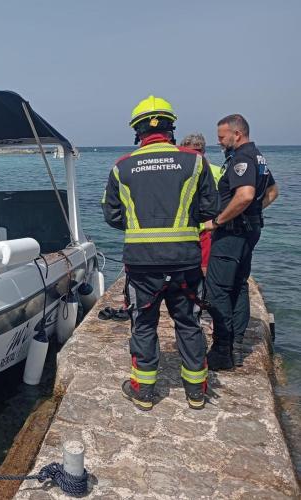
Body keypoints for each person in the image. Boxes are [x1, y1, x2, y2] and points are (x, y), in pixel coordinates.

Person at [102, 95, 219, 410]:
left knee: (143, 324)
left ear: (137, 131)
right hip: (185, 262)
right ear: (171, 128)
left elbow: (111, 215)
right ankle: (196, 392)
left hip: (141, 264)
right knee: (189, 323)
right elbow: (211, 208)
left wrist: (141, 223)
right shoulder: (195, 162)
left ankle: (143, 392)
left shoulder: (121, 167)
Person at [203, 114, 278, 369]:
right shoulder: (257, 157)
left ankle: (222, 350)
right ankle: (235, 345)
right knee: (238, 285)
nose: (219, 142)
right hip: (248, 231)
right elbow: (272, 192)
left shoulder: (242, 158)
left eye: (222, 137)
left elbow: (245, 195)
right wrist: (252, 215)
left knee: (217, 290)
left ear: (237, 134)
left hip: (232, 234)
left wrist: (218, 221)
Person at [179, 133, 223, 274]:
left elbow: (227, 200)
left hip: (207, 230)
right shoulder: (178, 173)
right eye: (190, 152)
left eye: (197, 151)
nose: (195, 155)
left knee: (205, 269)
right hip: (184, 230)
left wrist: (218, 221)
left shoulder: (218, 172)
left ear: (203, 151)